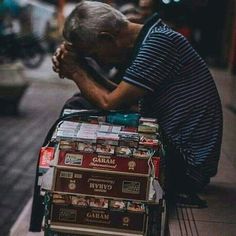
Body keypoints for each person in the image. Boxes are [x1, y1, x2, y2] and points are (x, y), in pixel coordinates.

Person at [52, 1, 222, 200]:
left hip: (187, 167)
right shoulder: (153, 37)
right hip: (176, 151)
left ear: (106, 38)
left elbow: (109, 102)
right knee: (81, 103)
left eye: (94, 54)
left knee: (79, 106)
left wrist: (74, 71)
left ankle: (67, 183)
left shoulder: (158, 43)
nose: (98, 61)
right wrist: (78, 63)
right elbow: (121, 98)